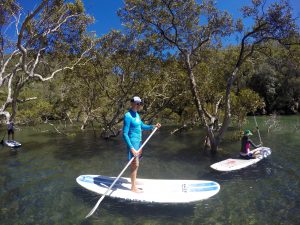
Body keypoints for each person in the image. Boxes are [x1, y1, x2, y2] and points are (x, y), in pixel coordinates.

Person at [123, 96, 161, 193]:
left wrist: (153, 126)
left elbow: (142, 126)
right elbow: (125, 134)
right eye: (139, 104)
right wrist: (132, 148)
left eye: (141, 104)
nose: (140, 106)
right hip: (133, 143)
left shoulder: (137, 115)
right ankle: (133, 187)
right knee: (134, 164)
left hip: (139, 143)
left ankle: (134, 182)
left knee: (137, 164)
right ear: (134, 104)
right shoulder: (128, 116)